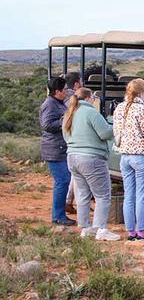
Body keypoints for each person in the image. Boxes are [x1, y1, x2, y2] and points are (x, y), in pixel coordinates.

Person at [62, 88, 119, 241]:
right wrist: (117, 127)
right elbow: (105, 133)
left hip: (72, 157)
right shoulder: (91, 112)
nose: (95, 99)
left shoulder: (70, 113)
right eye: (94, 96)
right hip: (92, 158)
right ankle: (100, 229)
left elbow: (66, 136)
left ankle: (85, 228)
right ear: (88, 98)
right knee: (102, 195)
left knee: (82, 194)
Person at [113, 78, 144, 241]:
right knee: (141, 195)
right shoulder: (141, 109)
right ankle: (142, 232)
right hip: (140, 156)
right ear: (142, 92)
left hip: (125, 157)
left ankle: (130, 232)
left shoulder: (120, 108)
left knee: (128, 194)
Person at [39, 77, 76, 226]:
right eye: (65, 89)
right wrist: (65, 120)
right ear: (57, 91)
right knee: (62, 181)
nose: (67, 92)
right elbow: (47, 125)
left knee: (63, 181)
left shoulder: (57, 103)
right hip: (54, 149)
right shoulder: (49, 105)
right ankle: (58, 216)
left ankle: (59, 215)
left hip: (59, 148)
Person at [64, 72, 83, 214]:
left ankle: (68, 201)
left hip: (68, 138)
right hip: (74, 139)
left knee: (73, 174)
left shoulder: (64, 97)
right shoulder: (74, 98)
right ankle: (69, 201)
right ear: (77, 84)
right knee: (75, 175)